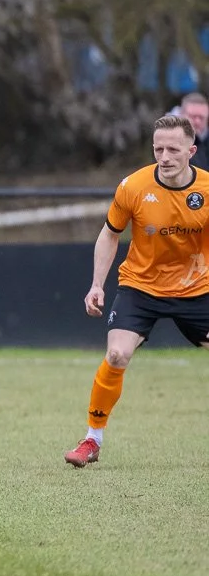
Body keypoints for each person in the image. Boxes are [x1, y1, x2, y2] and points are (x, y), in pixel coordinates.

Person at [66, 115, 209, 468]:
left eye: (173, 149)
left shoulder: (207, 190)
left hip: (197, 288)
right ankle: (91, 440)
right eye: (158, 148)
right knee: (116, 355)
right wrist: (97, 285)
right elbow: (110, 233)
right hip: (141, 286)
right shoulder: (132, 187)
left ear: (191, 151)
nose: (164, 155)